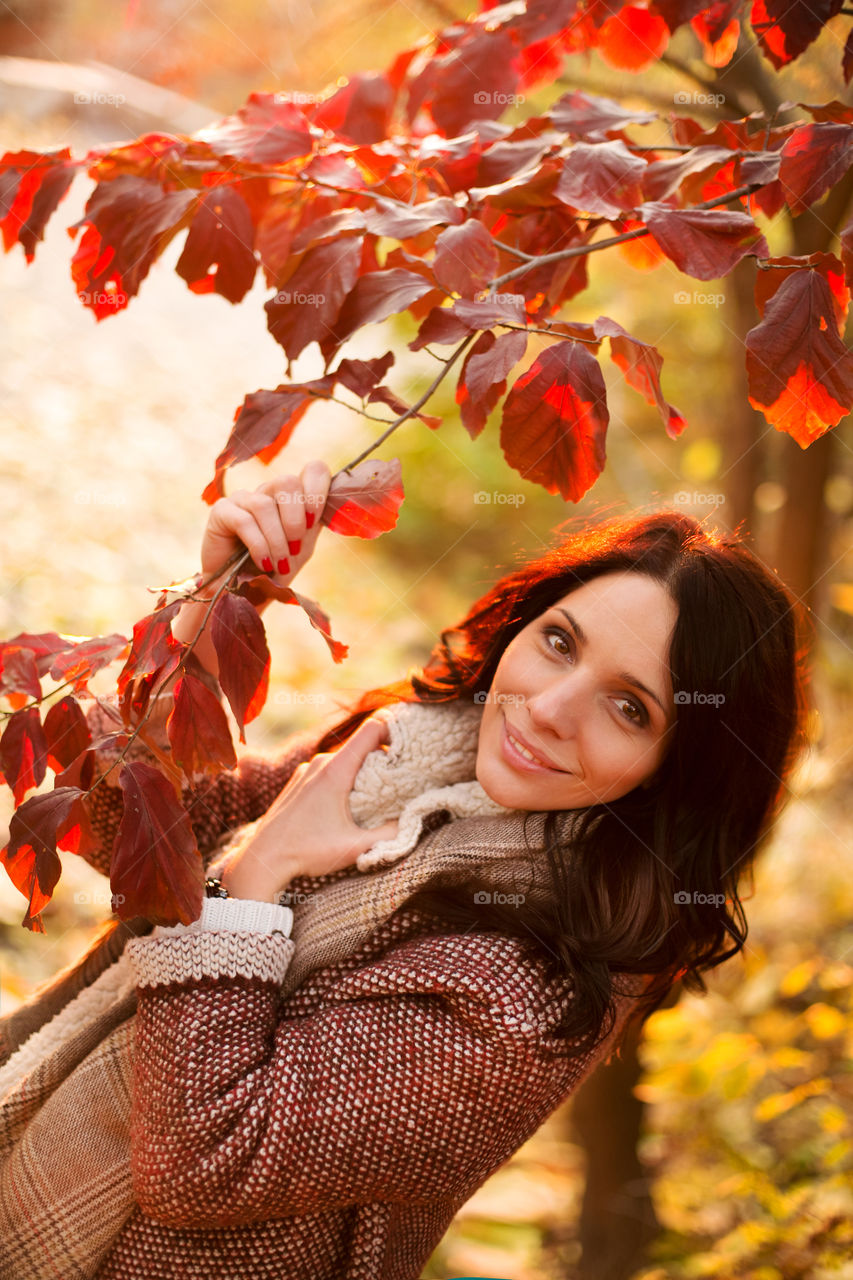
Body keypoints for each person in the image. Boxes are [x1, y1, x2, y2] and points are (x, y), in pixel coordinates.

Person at [0, 460, 812, 1280]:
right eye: (559, 643)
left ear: (680, 768)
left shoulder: (531, 995)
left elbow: (205, 1161)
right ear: (522, 625)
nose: (549, 707)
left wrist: (257, 874)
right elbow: (129, 836)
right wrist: (215, 609)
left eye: (629, 706)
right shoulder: (411, 761)